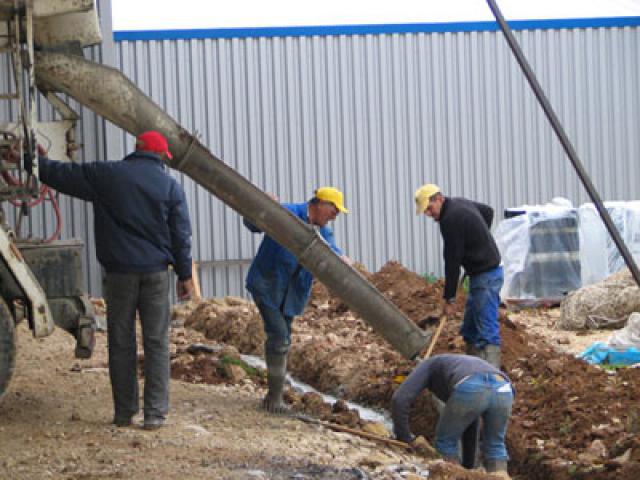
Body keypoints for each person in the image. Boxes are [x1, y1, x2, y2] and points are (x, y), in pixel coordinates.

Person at [7, 131, 194, 430]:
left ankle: (124, 413)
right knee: (157, 342)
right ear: (161, 156)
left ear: (136, 150)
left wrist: (27, 161)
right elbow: (181, 237)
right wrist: (185, 276)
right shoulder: (170, 187)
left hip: (119, 274)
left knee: (121, 342)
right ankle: (155, 414)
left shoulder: (106, 175)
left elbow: (61, 174)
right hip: (156, 274)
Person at [245, 187, 350, 413]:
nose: (335, 216)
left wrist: (342, 259)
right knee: (279, 336)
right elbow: (253, 224)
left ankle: (275, 391)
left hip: (291, 294)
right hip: (268, 286)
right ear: (320, 204)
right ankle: (274, 399)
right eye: (334, 210)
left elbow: (333, 252)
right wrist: (263, 205)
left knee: (283, 337)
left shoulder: (323, 231)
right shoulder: (287, 213)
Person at [415, 184, 503, 368]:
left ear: (439, 199)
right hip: (482, 274)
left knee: (486, 330)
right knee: (470, 329)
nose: (428, 214)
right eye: (425, 211)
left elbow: (452, 261)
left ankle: (492, 377)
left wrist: (450, 299)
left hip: (486, 276)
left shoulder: (450, 220)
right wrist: (476, 239)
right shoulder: (459, 202)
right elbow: (488, 212)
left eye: (429, 208)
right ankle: (472, 368)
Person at [391, 353, 513, 477]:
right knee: (495, 446)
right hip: (503, 387)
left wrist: (404, 438)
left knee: (446, 442)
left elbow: (399, 399)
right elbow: (469, 423)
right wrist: (468, 468)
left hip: (470, 384)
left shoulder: (428, 366)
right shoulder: (451, 366)